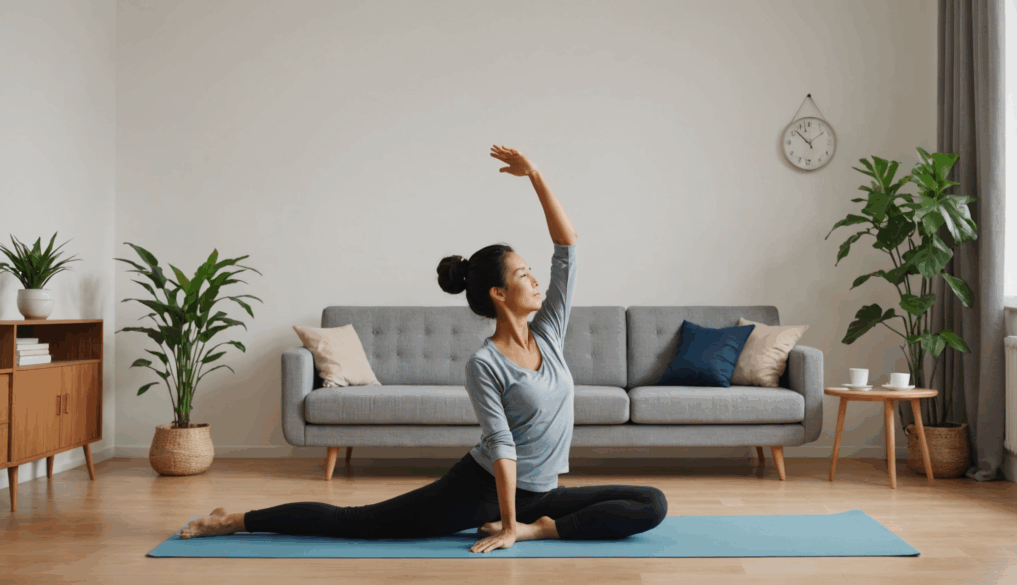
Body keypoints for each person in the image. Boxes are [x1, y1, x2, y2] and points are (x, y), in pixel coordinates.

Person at [179, 145, 667, 553]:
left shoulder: (551, 333)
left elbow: (568, 248)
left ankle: (544, 530)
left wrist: (535, 174)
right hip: (479, 492)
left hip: (540, 498)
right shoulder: (485, 364)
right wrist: (504, 520)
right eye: (522, 274)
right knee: (357, 523)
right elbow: (502, 449)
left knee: (652, 503)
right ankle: (236, 520)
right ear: (498, 294)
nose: (535, 278)